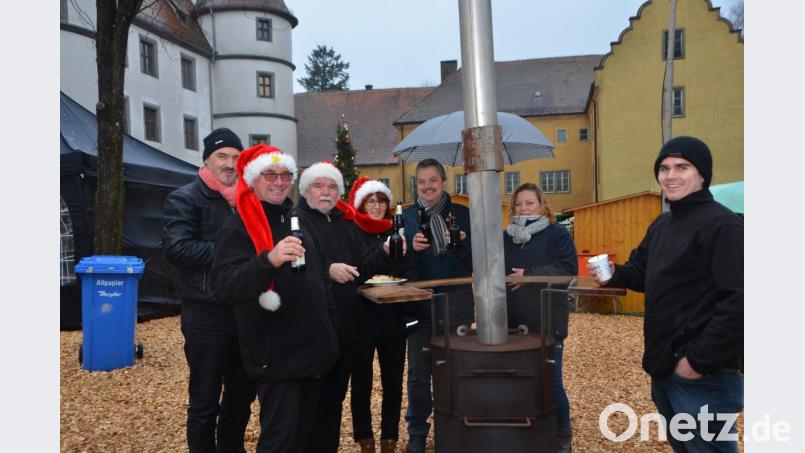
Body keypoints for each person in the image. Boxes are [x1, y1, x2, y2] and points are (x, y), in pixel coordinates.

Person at [590, 136, 743, 453]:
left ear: (702, 174)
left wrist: (697, 361)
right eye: (664, 168)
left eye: (682, 167)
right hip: (665, 367)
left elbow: (740, 302)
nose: (670, 175)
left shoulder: (722, 225)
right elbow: (642, 273)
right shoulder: (663, 224)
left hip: (704, 374)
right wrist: (612, 274)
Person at [210, 145, 339, 453]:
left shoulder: (297, 219)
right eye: (270, 174)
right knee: (279, 442)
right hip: (277, 357)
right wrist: (269, 259)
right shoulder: (238, 224)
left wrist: (330, 331)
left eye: (285, 175)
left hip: (313, 354)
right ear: (254, 179)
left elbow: (321, 280)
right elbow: (226, 285)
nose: (279, 182)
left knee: (306, 439)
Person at [162, 128, 255, 453]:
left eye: (235, 157)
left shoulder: (247, 199)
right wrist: (230, 251)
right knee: (204, 398)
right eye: (222, 156)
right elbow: (176, 248)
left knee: (242, 394)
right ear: (207, 159)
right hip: (206, 313)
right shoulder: (186, 198)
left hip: (244, 311)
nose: (229, 164)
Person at [296, 164, 401, 453]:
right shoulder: (297, 220)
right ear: (306, 190)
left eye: (332, 187)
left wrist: (383, 252)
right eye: (319, 186)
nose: (326, 192)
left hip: (346, 328)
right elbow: (293, 268)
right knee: (311, 404)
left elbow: (362, 268)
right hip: (315, 329)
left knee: (333, 401)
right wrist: (327, 269)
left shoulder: (343, 223)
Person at [402, 159, 472, 453]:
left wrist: (462, 244)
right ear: (416, 185)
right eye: (421, 181)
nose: (427, 186)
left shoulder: (462, 215)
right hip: (418, 303)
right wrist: (412, 251)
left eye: (433, 180)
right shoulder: (406, 217)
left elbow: (478, 263)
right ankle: (418, 432)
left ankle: (452, 428)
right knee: (418, 372)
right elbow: (396, 266)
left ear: (445, 182)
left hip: (456, 301)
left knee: (455, 368)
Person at [503, 183, 577, 452]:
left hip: (548, 320)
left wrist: (531, 275)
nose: (523, 208)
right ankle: (529, 434)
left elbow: (569, 268)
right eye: (519, 204)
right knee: (521, 381)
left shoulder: (556, 234)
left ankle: (562, 436)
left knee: (551, 381)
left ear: (542, 205)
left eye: (529, 203)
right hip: (515, 321)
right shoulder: (506, 237)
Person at [340, 177, 412, 453]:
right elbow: (358, 270)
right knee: (361, 381)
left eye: (381, 200)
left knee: (394, 381)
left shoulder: (397, 230)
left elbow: (406, 268)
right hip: (361, 316)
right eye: (372, 200)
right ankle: (364, 437)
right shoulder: (352, 231)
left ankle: (390, 438)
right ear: (361, 203)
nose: (377, 206)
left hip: (392, 316)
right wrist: (381, 254)